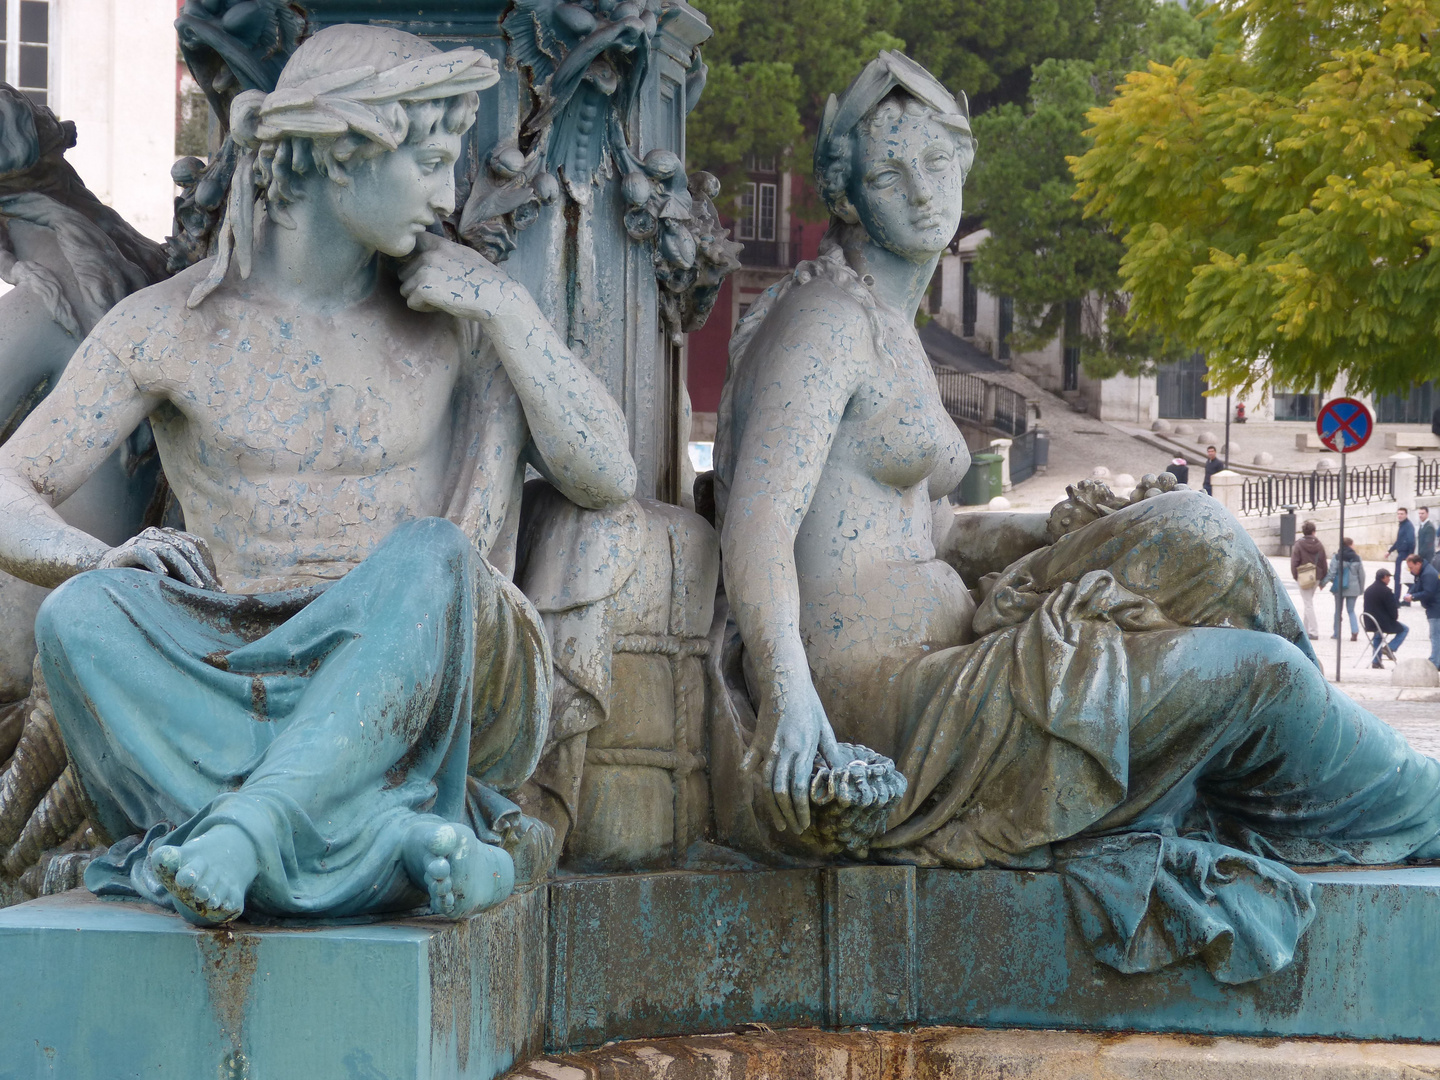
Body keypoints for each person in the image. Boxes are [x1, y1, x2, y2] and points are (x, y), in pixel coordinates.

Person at [714, 50, 1440, 986]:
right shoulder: (824, 325)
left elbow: (928, 538)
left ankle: (1328, 772)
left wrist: (1063, 529)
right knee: (1255, 679)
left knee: (1198, 530)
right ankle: (1414, 808)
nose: (923, 192)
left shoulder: (890, 328)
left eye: (938, 163)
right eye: (891, 173)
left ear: (967, 165)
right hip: (897, 711)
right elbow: (761, 518)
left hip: (956, 649)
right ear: (848, 195)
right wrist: (789, 698)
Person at [0, 27, 638, 925]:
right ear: (339, 157)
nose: (447, 193)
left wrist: (511, 313)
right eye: (427, 161)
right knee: (78, 619)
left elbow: (607, 476)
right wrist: (92, 562)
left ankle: (249, 829)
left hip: (426, 651)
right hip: (236, 660)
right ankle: (393, 841)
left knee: (431, 556)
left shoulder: (456, 318)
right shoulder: (172, 328)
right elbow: (10, 485)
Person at [1290, 520, 1327, 640]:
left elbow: (1294, 562)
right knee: (1308, 602)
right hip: (1316, 576)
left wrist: (1296, 577)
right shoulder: (1319, 544)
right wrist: (1322, 580)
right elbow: (1323, 562)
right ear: (1313, 531)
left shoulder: (1298, 544)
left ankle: (1314, 631)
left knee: (1308, 603)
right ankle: (1305, 629)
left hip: (1303, 577)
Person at [1402, 554, 1440, 670]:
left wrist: (1413, 597)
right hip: (1433, 607)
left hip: (1436, 607)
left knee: (1435, 635)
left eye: (1411, 567)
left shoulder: (1428, 574)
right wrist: (1411, 593)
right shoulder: (1422, 572)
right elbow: (1417, 585)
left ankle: (1435, 661)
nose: (1411, 571)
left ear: (1418, 563)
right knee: (1435, 634)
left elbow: (1428, 592)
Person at [1364, 569, 1408, 667]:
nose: (1389, 579)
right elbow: (1393, 611)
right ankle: (1389, 648)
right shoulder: (1386, 591)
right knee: (1404, 629)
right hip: (1382, 623)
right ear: (1383, 577)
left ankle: (1376, 661)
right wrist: (1394, 618)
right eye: (1388, 577)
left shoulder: (1368, 589)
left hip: (1370, 622)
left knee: (1378, 634)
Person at [1328, 536, 1365, 641]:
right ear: (1349, 545)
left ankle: (1336, 633)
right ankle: (1354, 631)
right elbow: (1361, 575)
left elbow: (1332, 572)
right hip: (1354, 588)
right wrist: (1361, 589)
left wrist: (1328, 582)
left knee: (1338, 611)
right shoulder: (1357, 557)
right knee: (1351, 611)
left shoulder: (1336, 557)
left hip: (1340, 588)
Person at [1389, 507, 1416, 599]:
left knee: (1399, 577)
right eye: (1398, 514)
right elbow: (1399, 541)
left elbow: (1411, 542)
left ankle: (1397, 600)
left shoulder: (1408, 526)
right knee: (1401, 577)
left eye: (1402, 514)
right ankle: (1404, 597)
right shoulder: (1402, 525)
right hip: (1401, 554)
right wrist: (1390, 551)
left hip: (1404, 555)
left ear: (1406, 515)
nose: (1399, 516)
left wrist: (1409, 556)